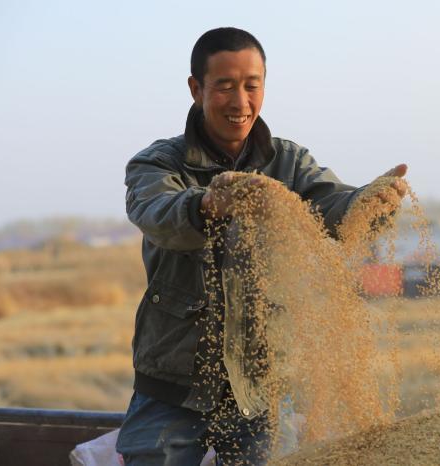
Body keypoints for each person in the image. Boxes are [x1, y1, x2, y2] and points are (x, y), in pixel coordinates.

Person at [116, 27, 407, 466]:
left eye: (252, 86)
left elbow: (329, 203)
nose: (240, 102)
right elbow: (159, 213)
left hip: (259, 387)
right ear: (197, 89)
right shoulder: (158, 163)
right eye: (225, 86)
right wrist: (207, 203)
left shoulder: (287, 162)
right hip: (171, 382)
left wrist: (366, 201)